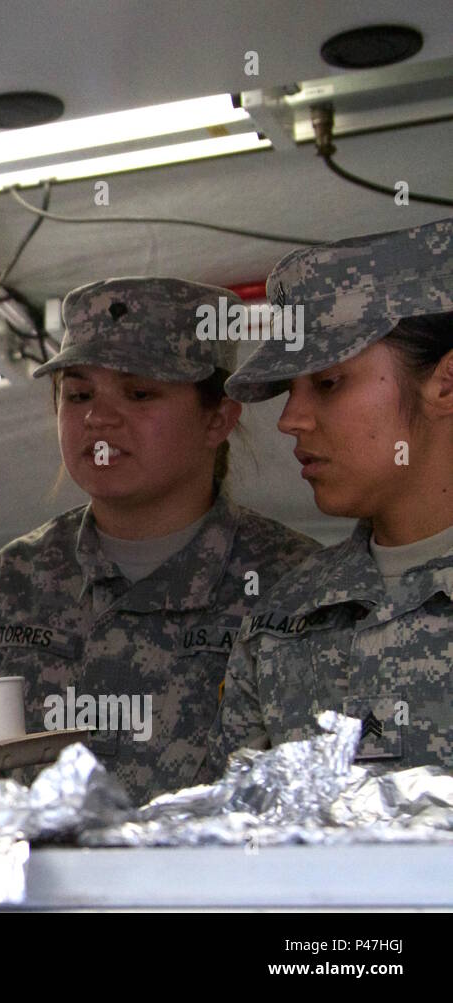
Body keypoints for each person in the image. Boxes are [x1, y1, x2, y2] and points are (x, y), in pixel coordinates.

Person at [0, 277, 320, 804]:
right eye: (78, 394)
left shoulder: (300, 588)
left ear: (218, 419)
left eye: (139, 393)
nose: (97, 417)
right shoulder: (3, 590)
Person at [208, 216, 453, 774]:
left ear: (445, 383)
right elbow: (244, 843)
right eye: (289, 391)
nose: (291, 420)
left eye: (327, 382)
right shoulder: (281, 622)